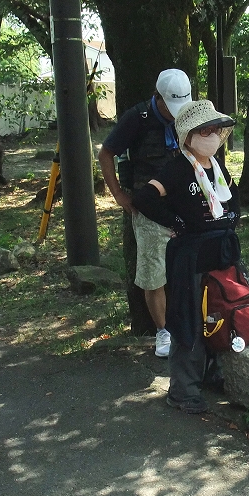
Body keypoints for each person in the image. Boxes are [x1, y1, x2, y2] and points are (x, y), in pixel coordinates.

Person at [133, 100, 240, 414]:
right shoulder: (177, 168)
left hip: (221, 253)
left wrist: (232, 218)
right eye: (205, 130)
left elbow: (233, 197)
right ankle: (183, 390)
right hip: (191, 257)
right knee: (189, 320)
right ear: (189, 135)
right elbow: (145, 198)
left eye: (215, 129)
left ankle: (212, 374)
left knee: (220, 314)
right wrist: (176, 222)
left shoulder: (216, 167)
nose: (213, 135)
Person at [98, 69, 193, 358]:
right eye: (171, 106)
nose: (176, 113)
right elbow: (106, 153)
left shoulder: (190, 114)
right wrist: (118, 194)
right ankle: (163, 331)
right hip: (149, 208)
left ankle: (187, 324)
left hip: (184, 204)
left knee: (187, 268)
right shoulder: (136, 119)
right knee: (154, 274)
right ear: (158, 97)